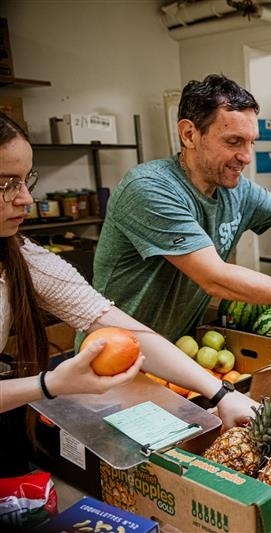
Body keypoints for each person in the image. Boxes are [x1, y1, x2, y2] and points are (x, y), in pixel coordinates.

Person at [0, 112, 257, 478]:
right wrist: (50, 383)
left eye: (26, 180)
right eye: (6, 184)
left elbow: (124, 331)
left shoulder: (23, 258)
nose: (25, 198)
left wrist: (221, 394)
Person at [90, 74, 271, 346]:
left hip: (175, 349)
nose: (246, 157)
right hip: (111, 351)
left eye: (250, 142)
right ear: (189, 134)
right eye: (234, 142)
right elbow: (214, 278)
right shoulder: (150, 188)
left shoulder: (237, 190)